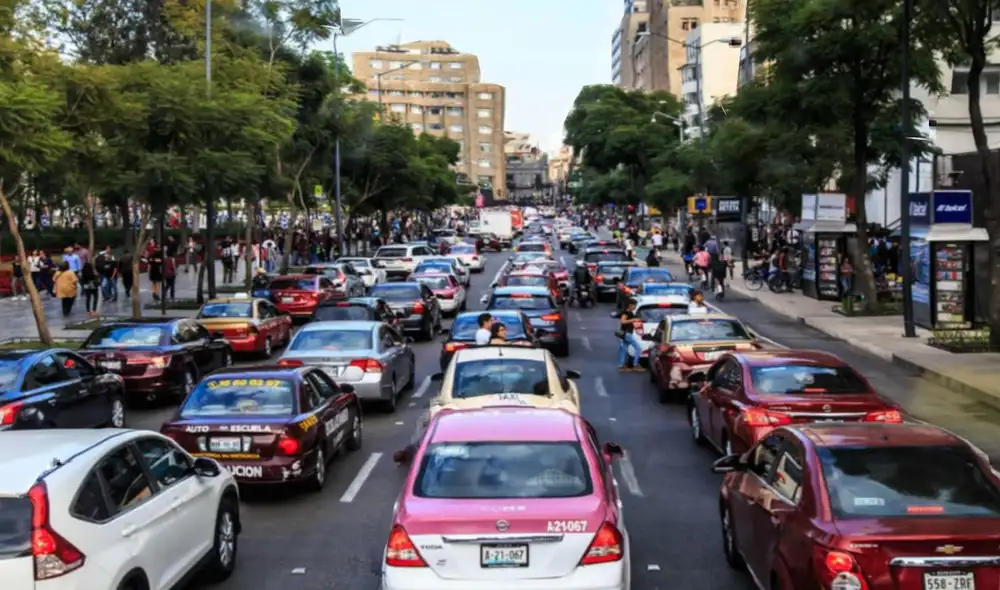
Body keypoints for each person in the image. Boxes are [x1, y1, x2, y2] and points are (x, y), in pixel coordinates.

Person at [617, 299, 644, 372]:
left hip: (626, 333)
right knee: (638, 348)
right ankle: (635, 365)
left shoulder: (629, 312)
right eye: (634, 305)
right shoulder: (626, 312)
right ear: (630, 305)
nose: (635, 306)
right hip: (627, 333)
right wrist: (633, 320)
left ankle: (621, 366)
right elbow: (622, 321)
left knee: (623, 349)